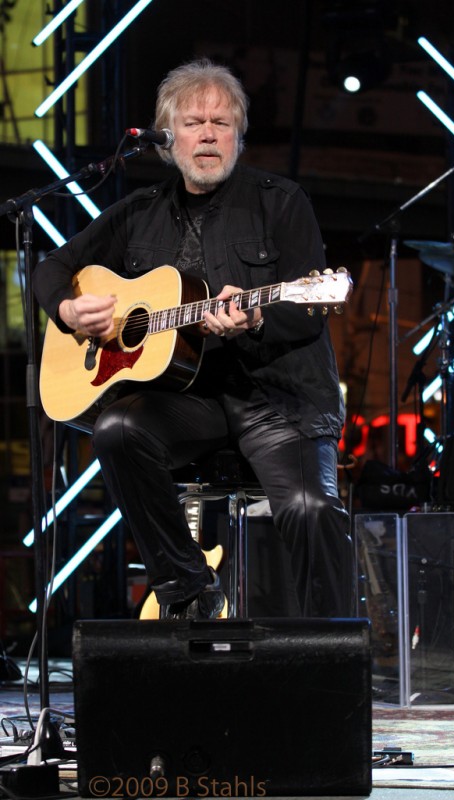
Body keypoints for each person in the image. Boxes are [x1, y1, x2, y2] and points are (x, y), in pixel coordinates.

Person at [33, 58, 353, 619]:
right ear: (167, 139)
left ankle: (331, 655)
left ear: (239, 136)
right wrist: (68, 309)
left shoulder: (281, 202)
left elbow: (308, 314)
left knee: (309, 508)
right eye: (193, 122)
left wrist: (253, 318)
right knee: (117, 428)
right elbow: (52, 267)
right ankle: (191, 592)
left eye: (222, 123)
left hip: (276, 401)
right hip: (189, 401)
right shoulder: (137, 213)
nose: (208, 133)